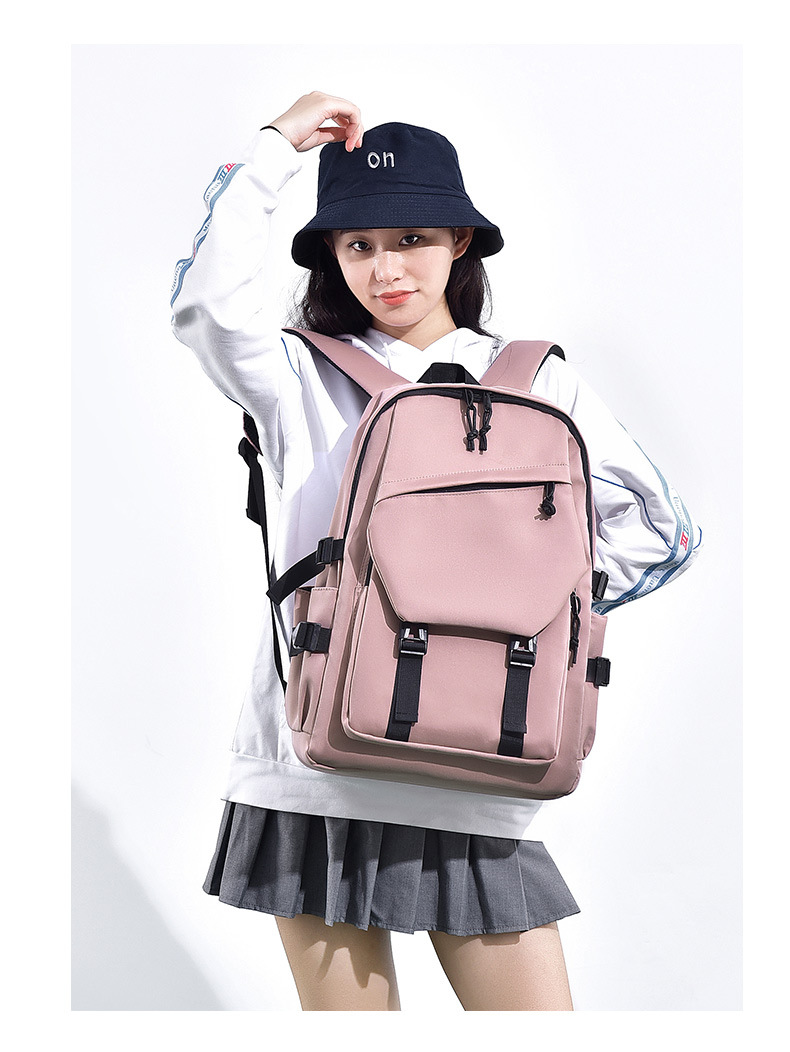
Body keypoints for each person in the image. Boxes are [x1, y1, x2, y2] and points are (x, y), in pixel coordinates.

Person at [170, 91, 702, 1012]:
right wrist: (274, 149)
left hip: (475, 770)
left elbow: (666, 530)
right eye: (358, 245)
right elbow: (204, 308)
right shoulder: (296, 372)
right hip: (318, 778)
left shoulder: (540, 379)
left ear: (461, 241)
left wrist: (527, 593)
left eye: (412, 238)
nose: (386, 268)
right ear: (333, 256)